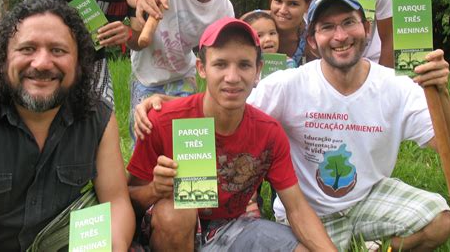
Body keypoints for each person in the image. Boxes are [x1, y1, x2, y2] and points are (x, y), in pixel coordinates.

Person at [248, 0, 450, 251]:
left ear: (367, 29)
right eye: (327, 27)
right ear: (312, 41)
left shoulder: (397, 86)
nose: (340, 36)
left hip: (367, 199)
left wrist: (442, 93)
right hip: (307, 212)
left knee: (440, 221)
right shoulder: (286, 85)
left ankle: (376, 249)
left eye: (349, 22)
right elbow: (239, 129)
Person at [127, 18, 336, 251]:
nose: (233, 77)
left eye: (244, 65)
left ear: (258, 71)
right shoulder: (161, 120)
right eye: (221, 64)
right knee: (177, 213)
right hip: (168, 232)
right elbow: (128, 198)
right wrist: (155, 189)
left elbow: (296, 208)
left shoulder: (269, 132)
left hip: (232, 228)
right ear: (202, 68)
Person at [0, 0, 135, 251]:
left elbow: (116, 202)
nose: (42, 63)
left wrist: (114, 245)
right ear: (3, 60)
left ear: (79, 65)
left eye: (58, 50)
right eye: (27, 49)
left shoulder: (97, 117)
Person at [125, 0, 234, 141]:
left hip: (184, 75)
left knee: (186, 139)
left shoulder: (224, 8)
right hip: (147, 75)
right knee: (145, 137)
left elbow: (222, 55)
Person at [267, 0, 316, 67]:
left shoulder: (311, 43)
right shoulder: (252, 24)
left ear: (307, 6)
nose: (283, 10)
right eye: (278, 1)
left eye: (293, 4)